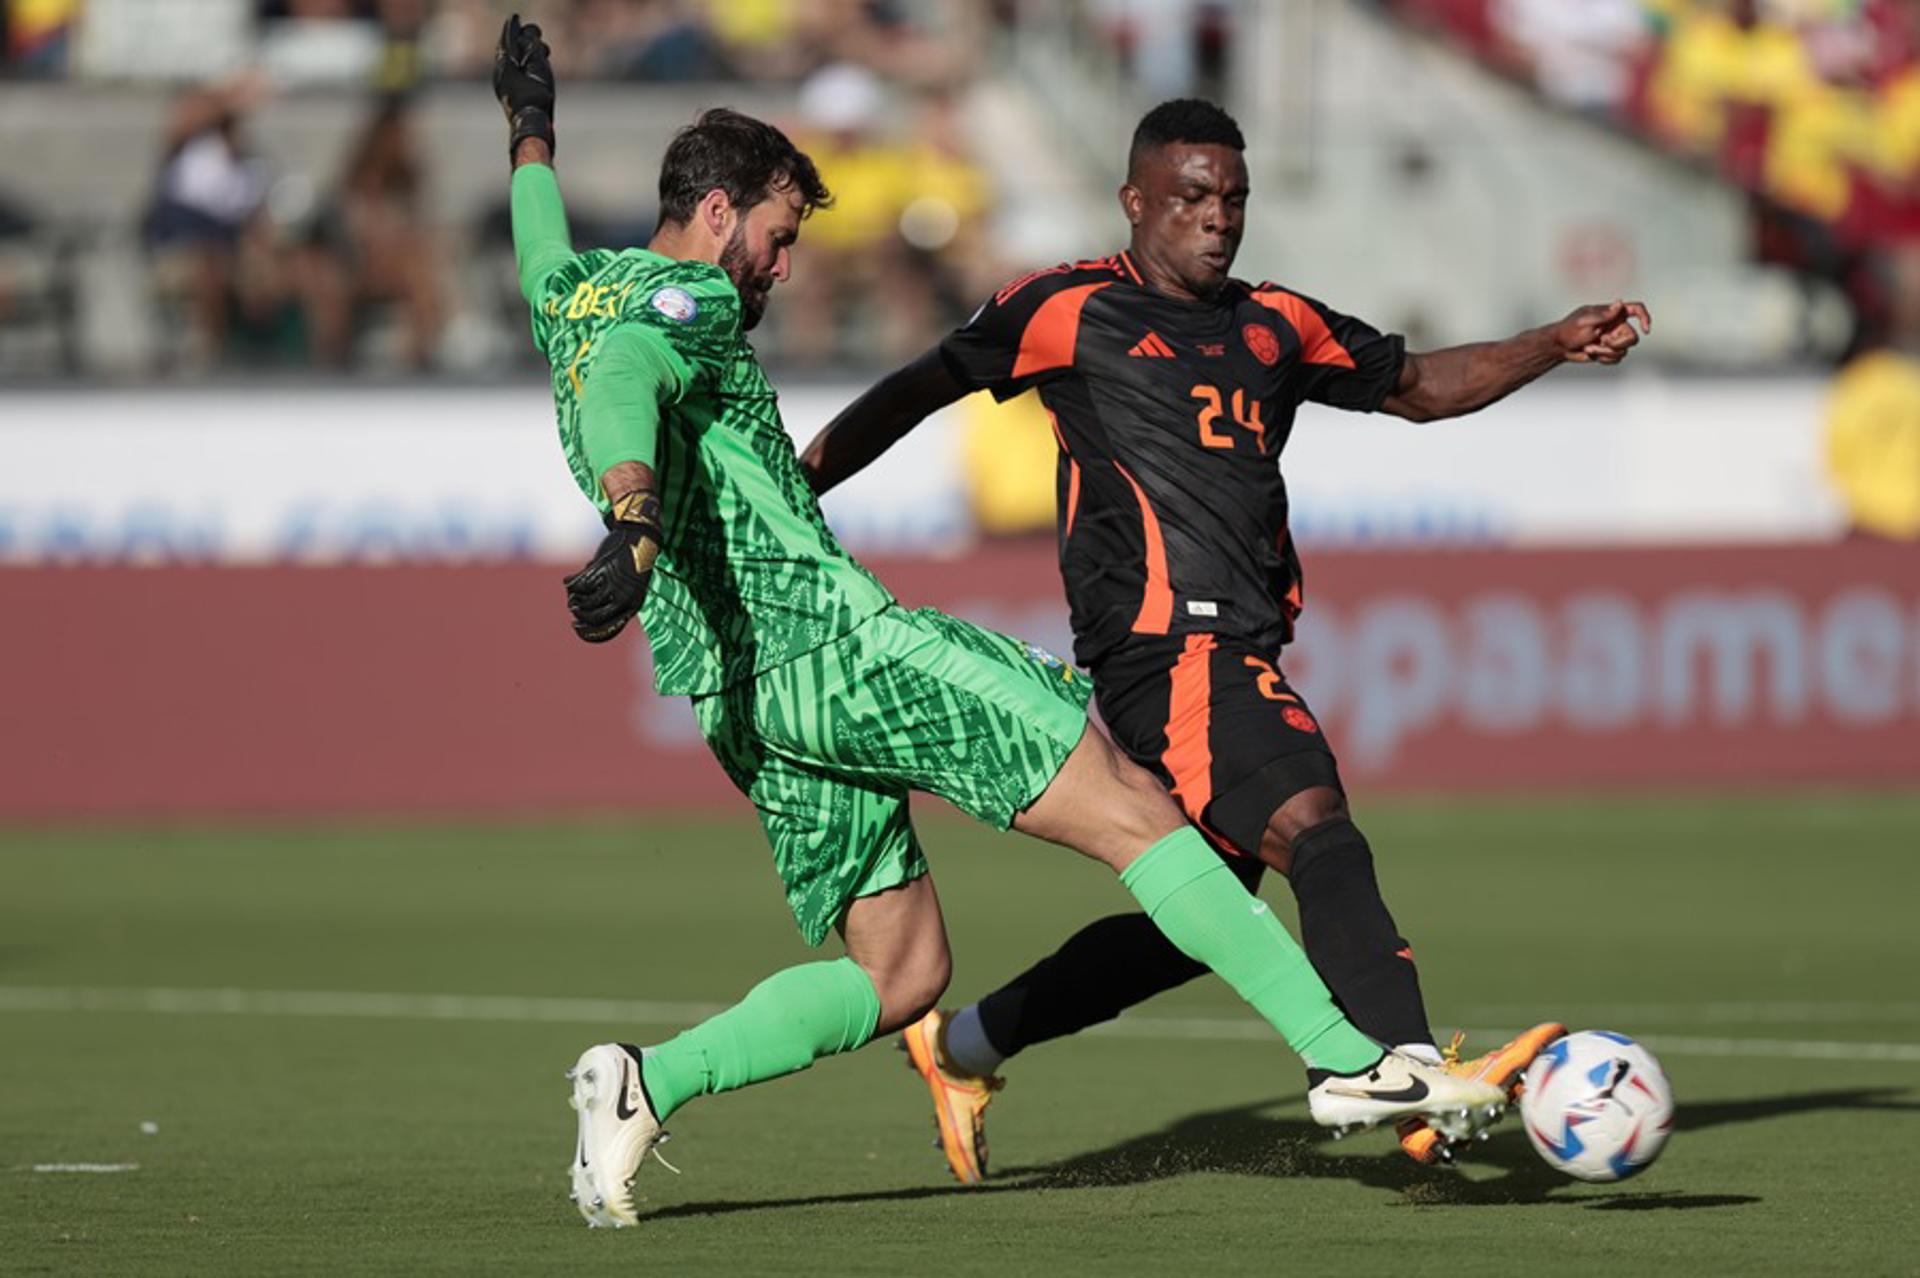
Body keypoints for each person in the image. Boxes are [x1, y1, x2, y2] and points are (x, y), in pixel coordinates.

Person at [490, 20, 1506, 1229]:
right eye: (775, 238)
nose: (777, 269)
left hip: (745, 699)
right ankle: (1349, 1060)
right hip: (842, 648)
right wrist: (633, 511)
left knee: (903, 974)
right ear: (715, 215)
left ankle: (646, 1084)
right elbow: (630, 382)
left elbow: (538, 237)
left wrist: (530, 131)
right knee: (1135, 804)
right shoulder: (687, 292)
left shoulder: (567, 292)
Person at [802, 98, 1651, 1179]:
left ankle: (965, 1043)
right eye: (1193, 197)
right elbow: (915, 391)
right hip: (1169, 646)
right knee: (1319, 829)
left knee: (1196, 907)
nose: (1218, 219)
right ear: (1137, 201)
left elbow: (1422, 388)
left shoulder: (1276, 323)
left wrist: (1551, 341)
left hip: (1238, 639)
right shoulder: (1065, 309)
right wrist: (795, 492)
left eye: (1234, 198)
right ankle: (1403, 1070)